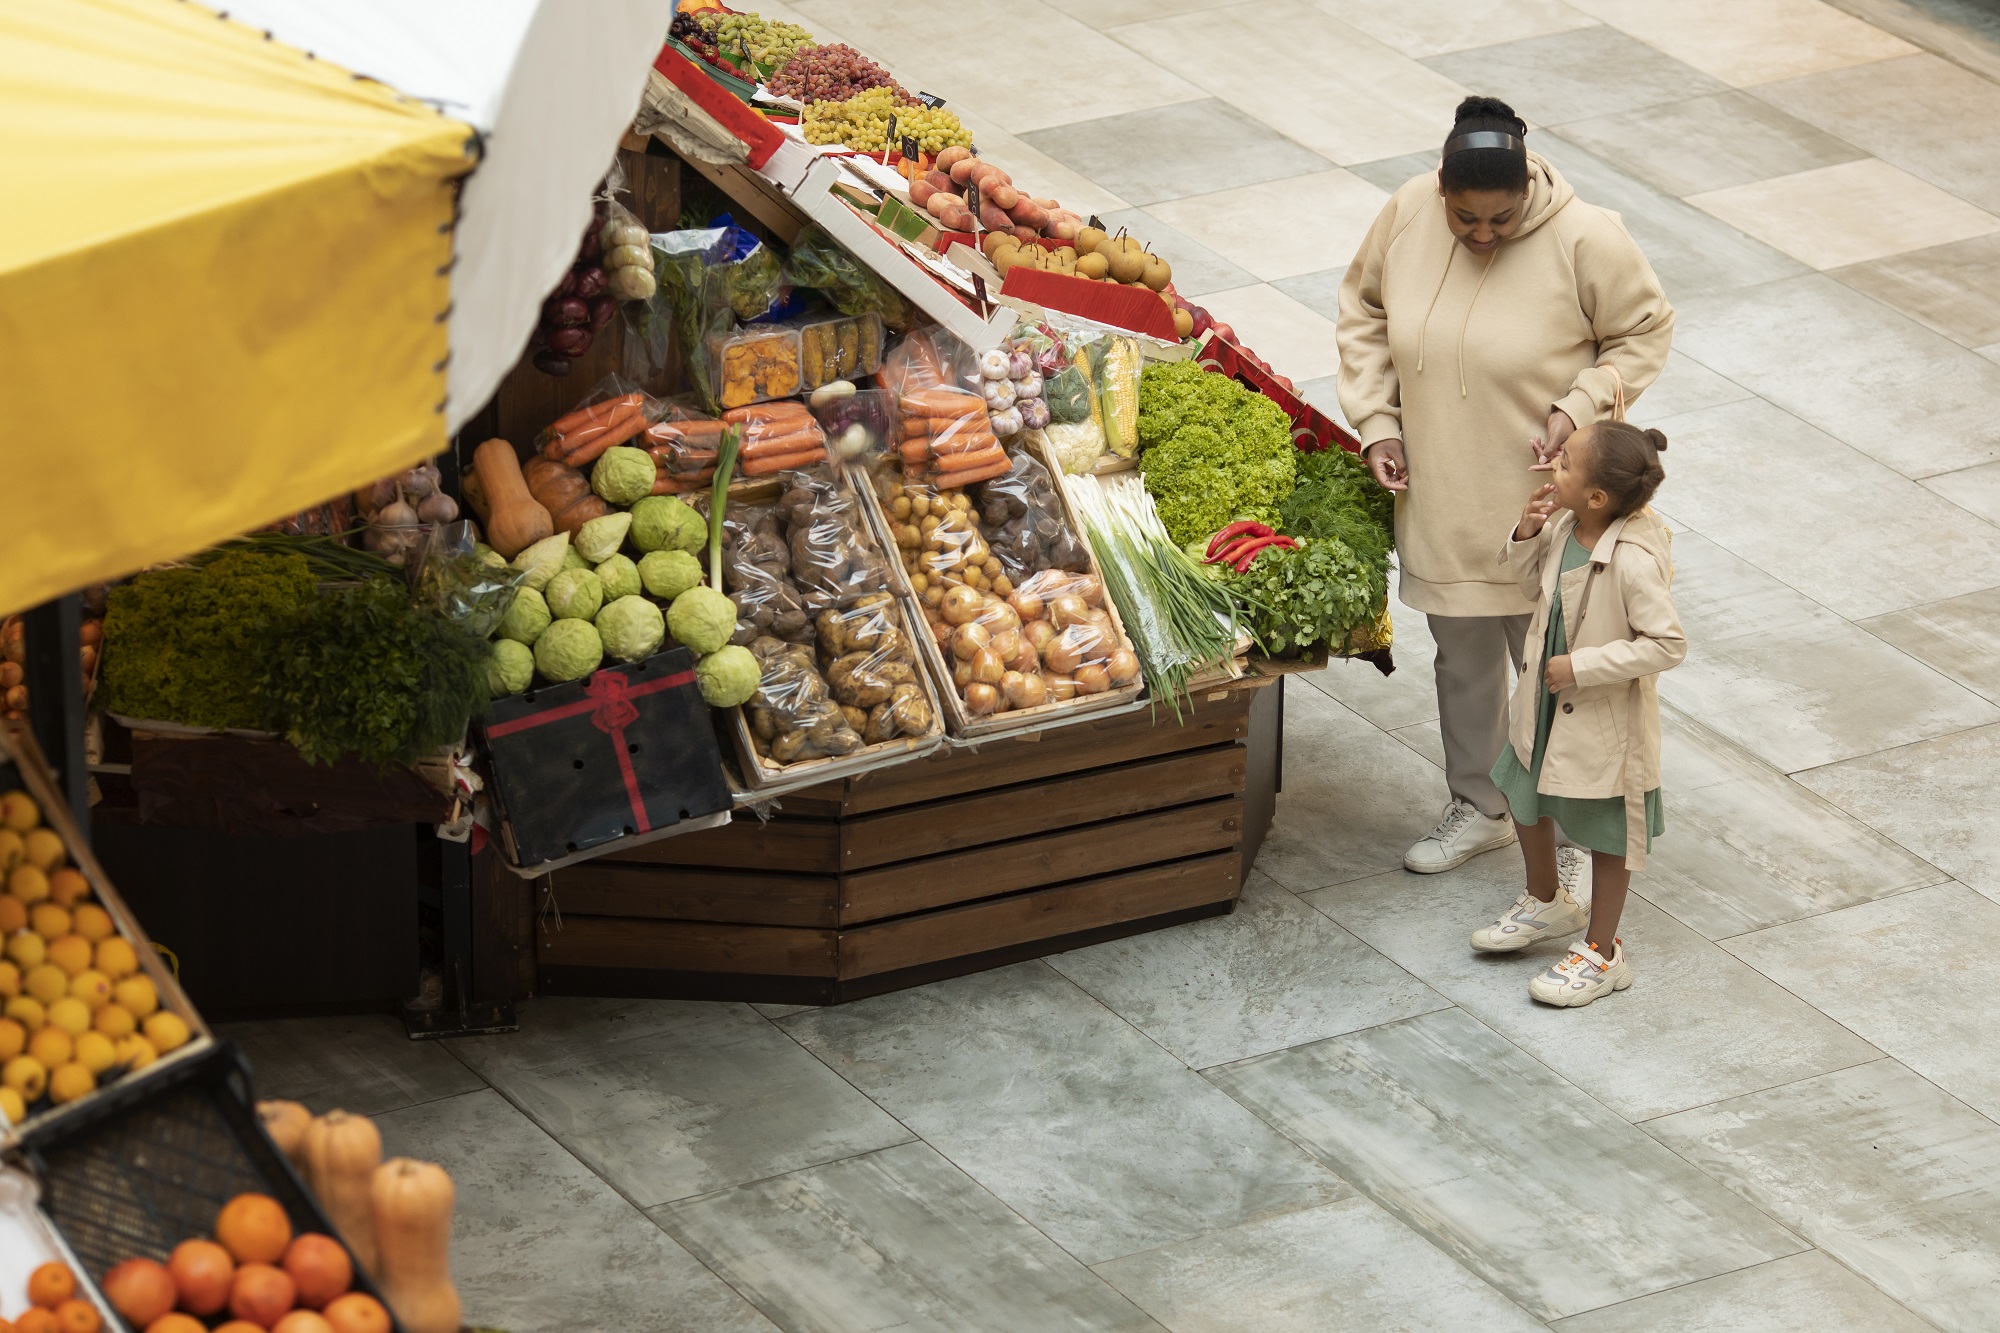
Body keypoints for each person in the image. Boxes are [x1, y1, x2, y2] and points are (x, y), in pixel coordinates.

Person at [1337, 96, 1674, 878]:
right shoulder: (1408, 211)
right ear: (1443, 194)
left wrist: (1578, 408)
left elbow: (1644, 329)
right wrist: (1378, 423)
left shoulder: (1589, 235)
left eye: (1502, 219)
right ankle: (1483, 804)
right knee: (1463, 656)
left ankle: (1581, 821)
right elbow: (1363, 310)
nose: (1484, 235)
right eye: (1466, 221)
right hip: (1442, 484)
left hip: (1547, 496)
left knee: (1558, 659)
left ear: (1528, 188)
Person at [1471, 421, 1683, 1006]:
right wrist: (1525, 531)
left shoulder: (1634, 560)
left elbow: (1667, 644)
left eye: (1564, 464)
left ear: (1597, 498)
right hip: (1544, 698)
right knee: (1523, 792)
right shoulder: (1567, 523)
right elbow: (1524, 583)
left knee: (1609, 834)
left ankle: (1603, 951)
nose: (1550, 468)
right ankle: (1547, 899)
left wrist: (1583, 666)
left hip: (1602, 718)